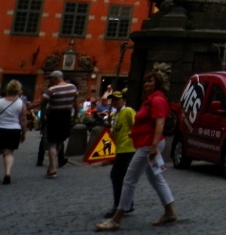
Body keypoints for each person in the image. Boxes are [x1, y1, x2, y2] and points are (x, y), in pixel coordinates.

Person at [95, 70, 177, 230]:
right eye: (146, 81)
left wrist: (154, 146)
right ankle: (169, 212)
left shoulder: (157, 100)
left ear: (158, 84)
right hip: (147, 142)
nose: (147, 84)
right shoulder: (150, 100)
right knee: (156, 178)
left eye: (151, 81)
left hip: (148, 145)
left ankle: (116, 219)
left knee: (129, 179)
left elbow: (160, 123)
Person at [36, 70, 77, 179]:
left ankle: (53, 169)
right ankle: (51, 168)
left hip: (54, 117)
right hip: (66, 117)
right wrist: (75, 117)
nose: (50, 81)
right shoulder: (73, 87)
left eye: (51, 79)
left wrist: (27, 108)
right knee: (59, 141)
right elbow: (76, 103)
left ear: (55, 78)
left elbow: (41, 102)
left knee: (51, 144)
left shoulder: (52, 89)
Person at [105, 91, 136, 217]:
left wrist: (131, 135)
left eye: (117, 99)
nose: (114, 102)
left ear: (124, 100)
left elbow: (136, 125)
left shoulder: (128, 111)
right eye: (112, 100)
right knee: (122, 177)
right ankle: (126, 204)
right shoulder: (114, 114)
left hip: (128, 148)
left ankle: (119, 206)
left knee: (116, 176)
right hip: (120, 149)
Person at [0, 80, 27, 185]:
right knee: (8, 153)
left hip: (1, 128)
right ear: (18, 91)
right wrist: (23, 133)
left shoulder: (0, 101)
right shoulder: (21, 103)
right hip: (14, 130)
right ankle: (7, 173)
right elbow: (23, 120)